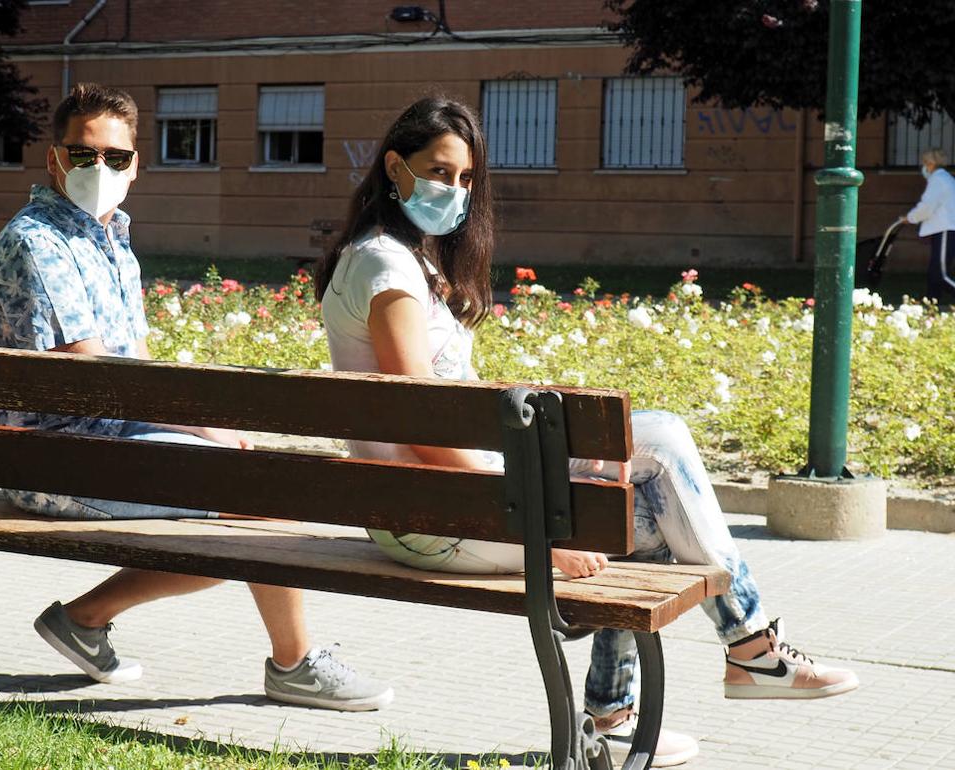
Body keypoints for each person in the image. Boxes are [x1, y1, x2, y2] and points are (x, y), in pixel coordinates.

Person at [315, 96, 858, 765]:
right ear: (394, 167)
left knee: (641, 500)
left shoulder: (398, 260)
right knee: (654, 447)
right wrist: (537, 526)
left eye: (464, 180)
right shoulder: (386, 268)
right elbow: (420, 422)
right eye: (438, 172)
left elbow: (439, 402)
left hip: (442, 503)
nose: (453, 191)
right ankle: (746, 654)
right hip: (433, 516)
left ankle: (618, 717)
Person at [0, 82, 392, 712]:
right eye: (83, 154)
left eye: (114, 158)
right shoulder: (41, 241)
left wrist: (206, 427)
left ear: (135, 165)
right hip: (52, 460)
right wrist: (203, 431)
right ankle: (294, 664)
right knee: (260, 504)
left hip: (94, 441)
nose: (99, 168)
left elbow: (132, 368)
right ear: (54, 158)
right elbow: (95, 376)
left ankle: (85, 620)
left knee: (253, 493)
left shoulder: (110, 238)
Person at [902, 147, 955, 304]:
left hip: (946, 229)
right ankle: (932, 307)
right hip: (945, 229)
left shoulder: (938, 180)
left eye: (925, 162)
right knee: (934, 273)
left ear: (931, 163)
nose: (923, 166)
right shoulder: (945, 179)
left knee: (940, 275)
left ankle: (932, 304)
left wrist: (910, 218)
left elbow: (927, 206)